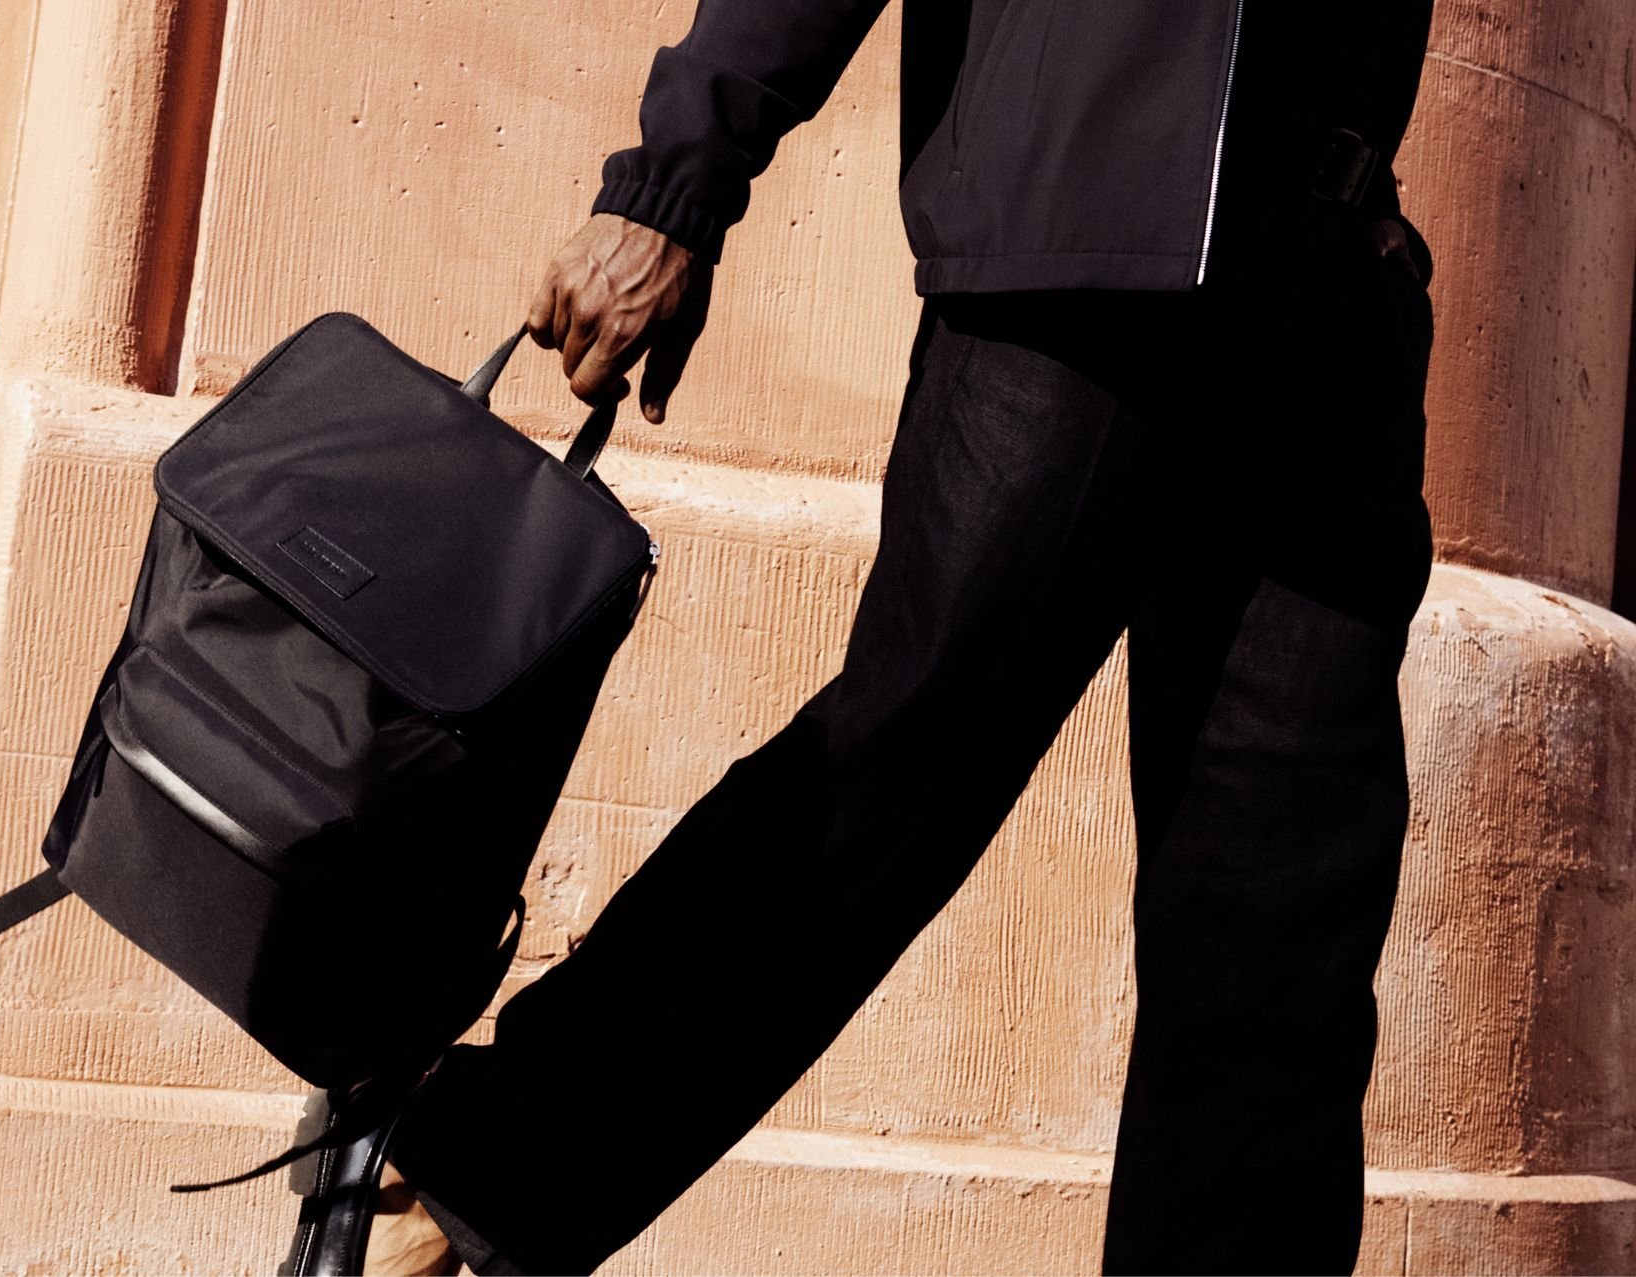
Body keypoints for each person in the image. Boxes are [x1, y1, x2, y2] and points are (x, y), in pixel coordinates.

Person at [307, 0, 1439, 1271]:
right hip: (1084, 240)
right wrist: (674, 183)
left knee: (1283, 916)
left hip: (1338, 286)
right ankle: (462, 1165)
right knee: (892, 775)